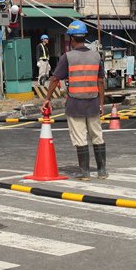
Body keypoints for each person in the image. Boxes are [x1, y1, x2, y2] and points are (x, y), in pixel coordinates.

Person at [43, 20, 107, 180]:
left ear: (72, 38)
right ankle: (102, 171)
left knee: (80, 138)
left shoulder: (68, 57)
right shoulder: (96, 56)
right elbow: (100, 82)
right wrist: (101, 103)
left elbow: (55, 79)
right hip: (92, 104)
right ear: (85, 37)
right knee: (97, 136)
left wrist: (47, 99)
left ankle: (85, 173)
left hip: (75, 105)